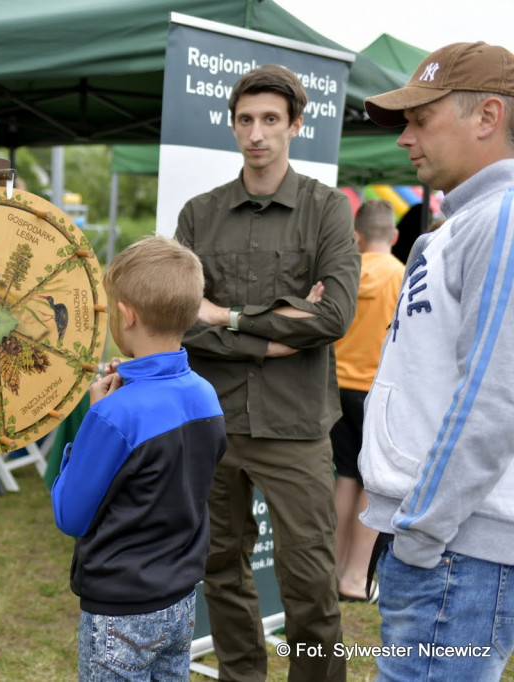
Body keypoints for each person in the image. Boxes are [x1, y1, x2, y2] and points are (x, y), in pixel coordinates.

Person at [174, 64, 359, 682]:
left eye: (271, 120)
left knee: (310, 581)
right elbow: (177, 318)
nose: (257, 133)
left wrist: (224, 316)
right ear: (232, 126)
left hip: (296, 426)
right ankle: (242, 675)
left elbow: (332, 314)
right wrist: (275, 333)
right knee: (219, 568)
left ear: (295, 126)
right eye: (246, 120)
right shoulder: (198, 215)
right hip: (214, 420)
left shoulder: (327, 209)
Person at [360, 41, 514, 680]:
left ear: (486, 116)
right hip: (449, 547)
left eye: (420, 119)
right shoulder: (470, 220)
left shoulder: (502, 217)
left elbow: (495, 395)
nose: (404, 138)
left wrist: (421, 535)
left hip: (456, 552)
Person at [51, 235, 226, 681]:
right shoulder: (206, 395)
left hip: (120, 608)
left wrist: (91, 424)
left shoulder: (112, 415)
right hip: (181, 598)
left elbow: (70, 514)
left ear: (126, 314)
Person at [330, 199, 404, 603]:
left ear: (356, 237)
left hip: (337, 389)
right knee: (373, 486)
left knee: (344, 477)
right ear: (393, 236)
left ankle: (334, 568)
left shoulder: (348, 271)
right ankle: (356, 578)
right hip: (377, 393)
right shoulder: (403, 273)